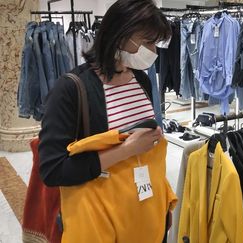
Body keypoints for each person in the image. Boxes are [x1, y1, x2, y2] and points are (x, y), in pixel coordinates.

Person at [38, 0, 176, 242]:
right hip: (101, 221)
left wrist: (160, 199)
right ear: (119, 36)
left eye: (156, 43)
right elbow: (53, 170)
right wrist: (126, 150)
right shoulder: (71, 89)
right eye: (147, 42)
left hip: (145, 215)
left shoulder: (141, 80)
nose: (153, 51)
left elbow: (145, 149)